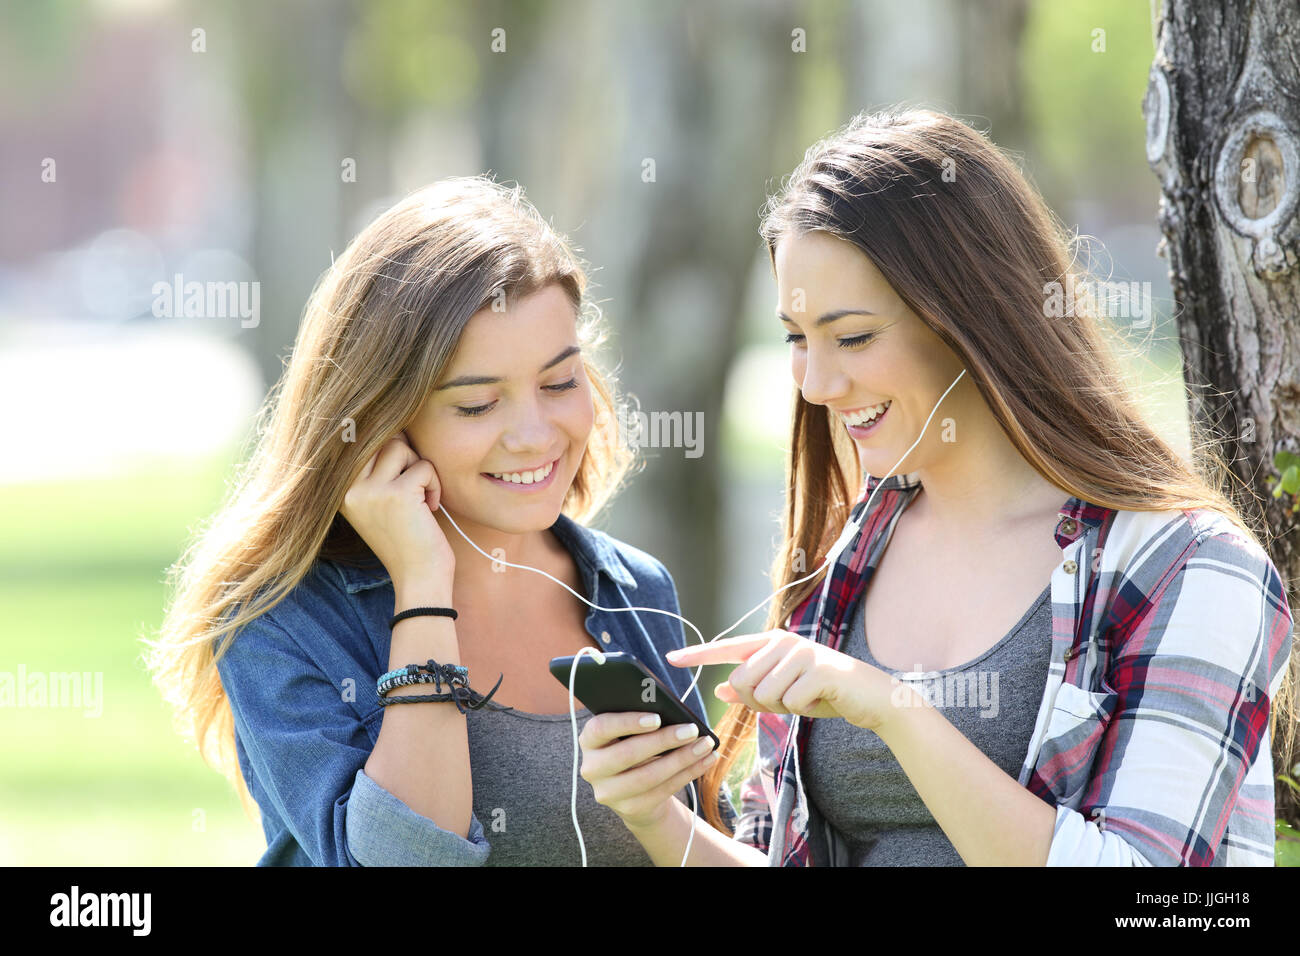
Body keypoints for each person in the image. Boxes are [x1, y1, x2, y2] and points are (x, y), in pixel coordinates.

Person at [577, 106, 1297, 866]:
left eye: (852, 336)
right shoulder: (854, 550)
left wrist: (894, 711)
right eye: (796, 336)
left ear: (974, 315)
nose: (817, 383)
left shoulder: (1193, 568)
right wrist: (658, 817)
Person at [145, 176, 726, 866]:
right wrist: (422, 583)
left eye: (560, 383)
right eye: (478, 405)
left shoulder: (635, 589)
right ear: (384, 421)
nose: (534, 435)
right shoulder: (280, 621)